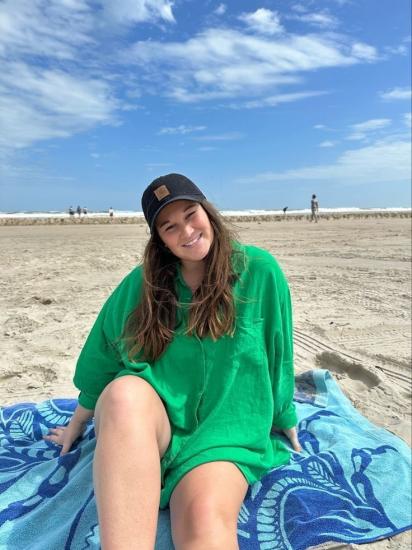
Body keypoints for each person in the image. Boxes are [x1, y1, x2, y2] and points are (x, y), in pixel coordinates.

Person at [44, 173, 301, 549]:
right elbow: (103, 355)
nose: (187, 231)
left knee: (204, 519)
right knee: (122, 393)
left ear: (207, 211)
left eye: (191, 214)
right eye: (170, 226)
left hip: (224, 432)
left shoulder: (259, 271)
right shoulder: (142, 284)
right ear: (159, 239)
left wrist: (284, 416)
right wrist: (77, 422)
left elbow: (278, 350)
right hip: (154, 425)